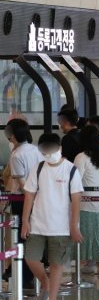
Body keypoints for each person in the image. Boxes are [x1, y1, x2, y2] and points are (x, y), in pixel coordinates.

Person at [21, 133, 84, 300]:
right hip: (38, 224)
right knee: (31, 258)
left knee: (57, 265)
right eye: (45, 151)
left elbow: (76, 199)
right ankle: (46, 285)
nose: (48, 155)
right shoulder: (38, 168)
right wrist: (25, 220)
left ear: (59, 148)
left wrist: (73, 225)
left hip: (61, 227)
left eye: (51, 150)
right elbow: (29, 195)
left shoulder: (71, 170)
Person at [5, 118, 42, 287]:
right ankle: (26, 274)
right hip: (38, 198)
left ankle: (22, 276)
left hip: (23, 200)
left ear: (13, 135)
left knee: (21, 237)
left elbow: (22, 184)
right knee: (32, 239)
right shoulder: (36, 150)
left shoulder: (16, 155)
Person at [74, 125, 99, 274]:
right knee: (97, 233)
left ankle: (86, 262)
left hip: (87, 203)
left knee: (86, 234)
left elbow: (75, 181)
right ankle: (91, 262)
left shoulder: (81, 157)